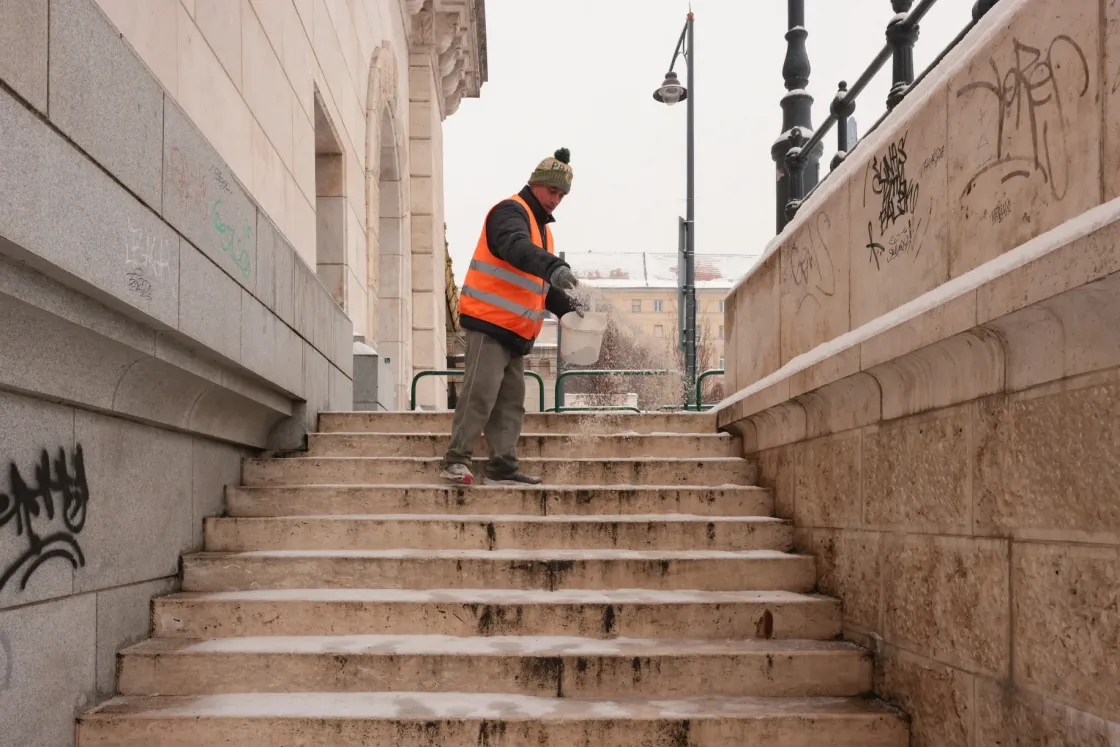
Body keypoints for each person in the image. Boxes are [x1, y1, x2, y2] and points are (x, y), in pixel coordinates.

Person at [440, 147, 585, 486]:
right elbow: (514, 248)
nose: (556, 199)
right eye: (552, 191)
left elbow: (537, 282)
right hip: (489, 322)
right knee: (480, 393)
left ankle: (502, 466)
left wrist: (569, 308)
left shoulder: (543, 231)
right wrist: (553, 266)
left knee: (511, 403)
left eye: (562, 195)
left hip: (516, 331)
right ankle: (456, 459)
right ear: (536, 184)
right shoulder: (510, 212)